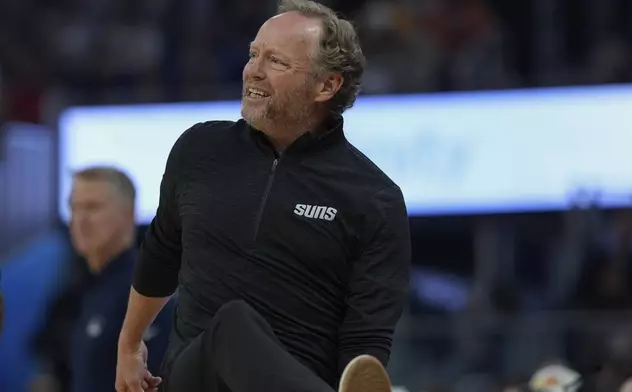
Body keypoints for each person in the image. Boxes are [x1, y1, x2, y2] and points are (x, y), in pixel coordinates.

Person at [116, 0, 411, 391]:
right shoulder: (199, 149)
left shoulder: (375, 198)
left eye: (276, 61)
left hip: (301, 376)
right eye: (254, 54)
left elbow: (365, 341)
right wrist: (130, 345)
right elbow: (161, 254)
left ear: (327, 85)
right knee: (233, 323)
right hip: (195, 379)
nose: (253, 70)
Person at [33, 167, 174, 392]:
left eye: (92, 207)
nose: (80, 219)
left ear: (129, 213)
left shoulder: (145, 289)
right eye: (74, 207)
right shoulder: (83, 289)